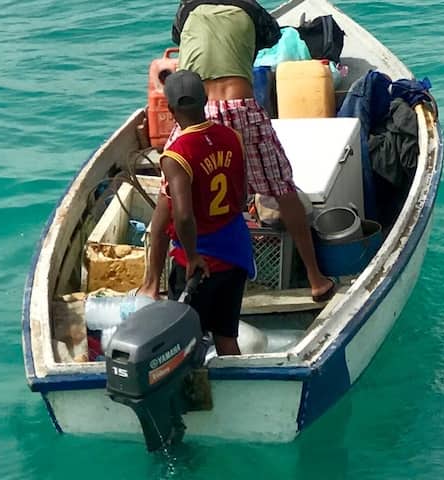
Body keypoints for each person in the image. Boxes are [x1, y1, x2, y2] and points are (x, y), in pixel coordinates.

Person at [173, 0, 336, 302]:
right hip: (241, 107)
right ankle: (316, 279)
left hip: (197, 111)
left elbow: (178, 37)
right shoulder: (249, 7)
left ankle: (151, 282)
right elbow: (272, 37)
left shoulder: (186, 9)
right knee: (283, 189)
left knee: (171, 192)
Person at [140, 70, 254, 356]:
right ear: (205, 100)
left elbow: (183, 216)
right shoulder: (233, 137)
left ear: (170, 110)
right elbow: (242, 195)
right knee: (226, 336)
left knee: (184, 343)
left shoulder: (176, 155)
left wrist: (192, 256)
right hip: (236, 252)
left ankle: (193, 384)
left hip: (199, 263)